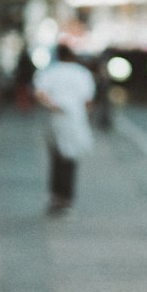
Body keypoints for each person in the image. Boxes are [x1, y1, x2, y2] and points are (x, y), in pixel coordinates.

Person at [33, 44, 96, 214]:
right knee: (71, 158)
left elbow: (39, 93)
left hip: (56, 118)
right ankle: (66, 198)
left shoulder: (51, 71)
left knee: (56, 157)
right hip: (75, 118)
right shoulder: (82, 73)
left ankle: (56, 196)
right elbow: (88, 100)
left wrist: (53, 106)